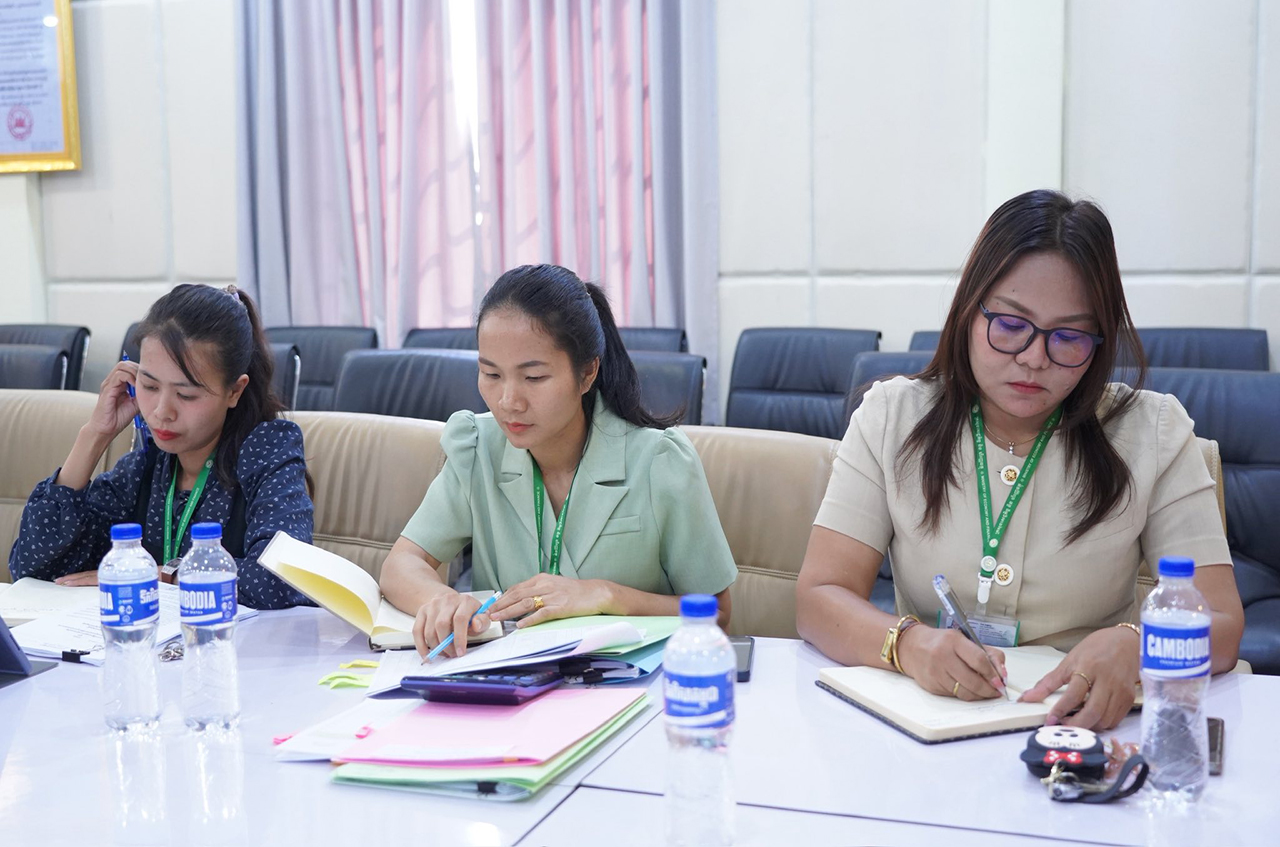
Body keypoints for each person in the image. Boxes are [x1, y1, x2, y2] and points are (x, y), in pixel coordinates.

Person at [796, 190, 1244, 731]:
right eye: (1010, 326)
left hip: (1085, 727)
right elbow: (820, 597)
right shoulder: (892, 416)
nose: (1034, 359)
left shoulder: (1152, 431)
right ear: (968, 312)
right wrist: (908, 645)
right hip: (933, 720)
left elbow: (1222, 623)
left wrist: (1137, 646)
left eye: (1069, 337)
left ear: (1100, 342)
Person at [380, 264, 738, 656]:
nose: (508, 401)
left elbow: (717, 613)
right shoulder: (477, 447)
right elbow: (402, 564)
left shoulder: (660, 461)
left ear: (587, 373)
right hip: (507, 680)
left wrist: (605, 595)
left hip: (626, 679)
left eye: (533, 378)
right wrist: (441, 601)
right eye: (491, 374)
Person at [9, 284, 313, 609]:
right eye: (150, 385)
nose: (161, 412)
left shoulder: (268, 449)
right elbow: (33, 567)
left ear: (234, 391)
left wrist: (162, 575)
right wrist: (94, 434)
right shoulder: (147, 464)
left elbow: (283, 578)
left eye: (186, 394)